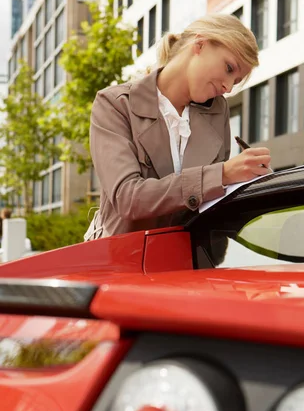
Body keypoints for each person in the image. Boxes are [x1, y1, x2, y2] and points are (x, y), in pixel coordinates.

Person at [84, 13, 272, 241]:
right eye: (229, 68)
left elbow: (212, 209)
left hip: (190, 264)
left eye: (236, 81)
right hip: (122, 262)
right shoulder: (115, 104)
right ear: (200, 44)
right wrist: (222, 174)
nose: (228, 87)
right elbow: (128, 199)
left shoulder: (217, 111)